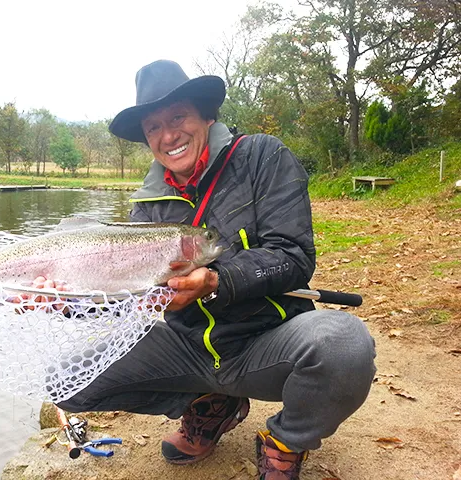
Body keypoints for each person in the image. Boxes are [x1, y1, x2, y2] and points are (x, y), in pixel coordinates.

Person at [56, 60, 376, 479]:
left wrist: (215, 281)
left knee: (345, 344)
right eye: (153, 127)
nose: (168, 135)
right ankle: (208, 405)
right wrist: (64, 301)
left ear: (207, 115)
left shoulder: (262, 156)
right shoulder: (146, 205)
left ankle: (285, 442)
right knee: (66, 381)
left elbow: (294, 255)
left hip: (268, 341)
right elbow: (128, 301)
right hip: (187, 345)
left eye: (177, 117)